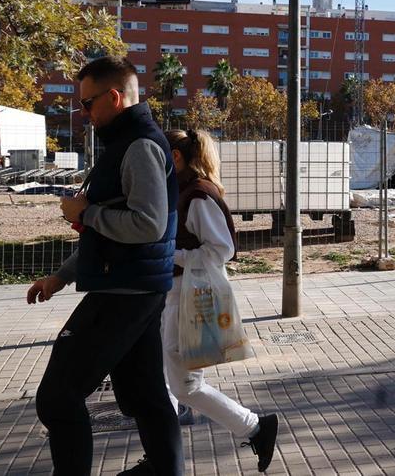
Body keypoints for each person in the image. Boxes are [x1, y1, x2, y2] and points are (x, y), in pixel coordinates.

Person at [26, 56, 183, 476]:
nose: (83, 113)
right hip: (133, 285)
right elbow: (111, 233)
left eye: (87, 103)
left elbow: (148, 224)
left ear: (114, 97)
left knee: (58, 398)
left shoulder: (140, 146)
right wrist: (61, 276)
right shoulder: (125, 142)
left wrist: (86, 212)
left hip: (123, 292)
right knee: (144, 396)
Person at [152, 129, 279, 473]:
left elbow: (221, 250)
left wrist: (168, 254)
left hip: (188, 296)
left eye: (159, 157)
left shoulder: (198, 195)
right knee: (165, 380)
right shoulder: (185, 191)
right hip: (176, 294)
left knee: (186, 386)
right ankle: (162, 456)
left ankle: (254, 427)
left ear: (176, 157)